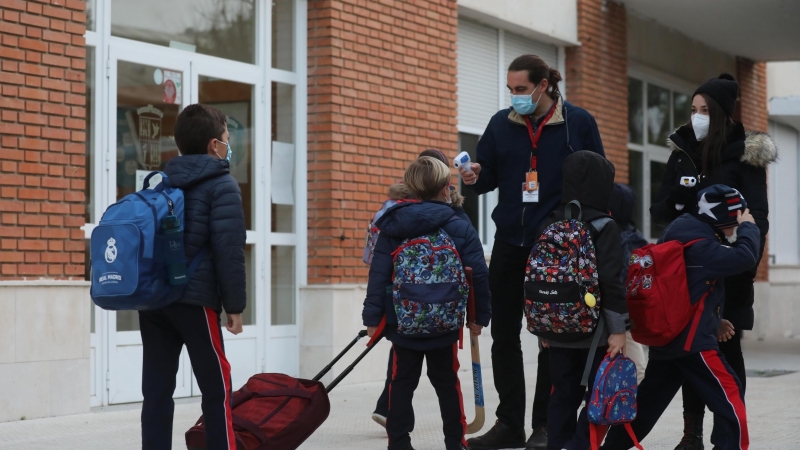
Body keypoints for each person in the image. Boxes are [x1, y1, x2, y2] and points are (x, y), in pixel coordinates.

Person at [460, 54, 604, 450]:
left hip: (556, 248)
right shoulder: (500, 124)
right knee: (503, 334)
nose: (514, 97)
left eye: (521, 89)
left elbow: (598, 178)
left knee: (552, 336)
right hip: (509, 242)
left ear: (543, 86)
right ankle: (510, 423)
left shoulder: (579, 123)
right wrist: (474, 175)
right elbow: (485, 175)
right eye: (510, 89)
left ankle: (544, 426)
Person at [649, 74, 777, 449]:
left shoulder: (744, 156)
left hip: (729, 270)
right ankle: (693, 433)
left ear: (721, 114)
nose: (696, 117)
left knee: (726, 353)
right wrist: (680, 191)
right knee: (692, 350)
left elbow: (758, 216)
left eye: (704, 110)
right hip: (687, 274)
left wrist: (743, 263)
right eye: (693, 110)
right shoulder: (682, 151)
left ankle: (730, 433)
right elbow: (662, 210)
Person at [602, 185, 760, 450]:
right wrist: (749, 227)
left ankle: (610, 448)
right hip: (693, 343)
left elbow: (689, 290)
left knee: (647, 404)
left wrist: (714, 321)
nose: (739, 222)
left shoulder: (679, 234)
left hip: (670, 339)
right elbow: (745, 257)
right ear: (723, 217)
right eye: (737, 215)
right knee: (730, 397)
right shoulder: (700, 245)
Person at [363, 156, 492, 450]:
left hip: (403, 323)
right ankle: (454, 443)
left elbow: (379, 274)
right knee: (447, 384)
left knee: (401, 384)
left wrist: (372, 319)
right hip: (445, 323)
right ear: (446, 189)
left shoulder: (393, 224)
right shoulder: (458, 224)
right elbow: (478, 275)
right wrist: (479, 317)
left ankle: (398, 442)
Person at [140, 104, 246, 450]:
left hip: (155, 300)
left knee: (156, 391)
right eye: (228, 139)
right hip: (196, 300)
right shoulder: (222, 184)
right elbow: (229, 250)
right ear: (215, 145)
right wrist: (235, 306)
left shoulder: (161, 182)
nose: (230, 146)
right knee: (217, 389)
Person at [536, 151, 629, 450]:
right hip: (597, 331)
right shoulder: (604, 226)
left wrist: (542, 327)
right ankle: (579, 445)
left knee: (561, 393)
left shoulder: (550, 223)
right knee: (597, 394)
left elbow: (537, 279)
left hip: (556, 329)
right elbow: (612, 281)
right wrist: (618, 329)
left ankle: (558, 444)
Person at [608, 183, 649, 383]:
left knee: (636, 370)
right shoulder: (636, 237)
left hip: (616, 310)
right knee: (636, 370)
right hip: (626, 310)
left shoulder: (607, 236)